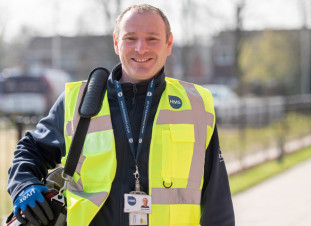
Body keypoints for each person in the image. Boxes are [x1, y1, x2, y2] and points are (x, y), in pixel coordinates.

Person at [7, 4, 235, 226]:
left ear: (169, 43)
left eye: (152, 38)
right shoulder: (77, 101)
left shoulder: (196, 105)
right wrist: (24, 186)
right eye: (130, 38)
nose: (141, 48)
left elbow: (217, 198)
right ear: (117, 43)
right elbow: (30, 150)